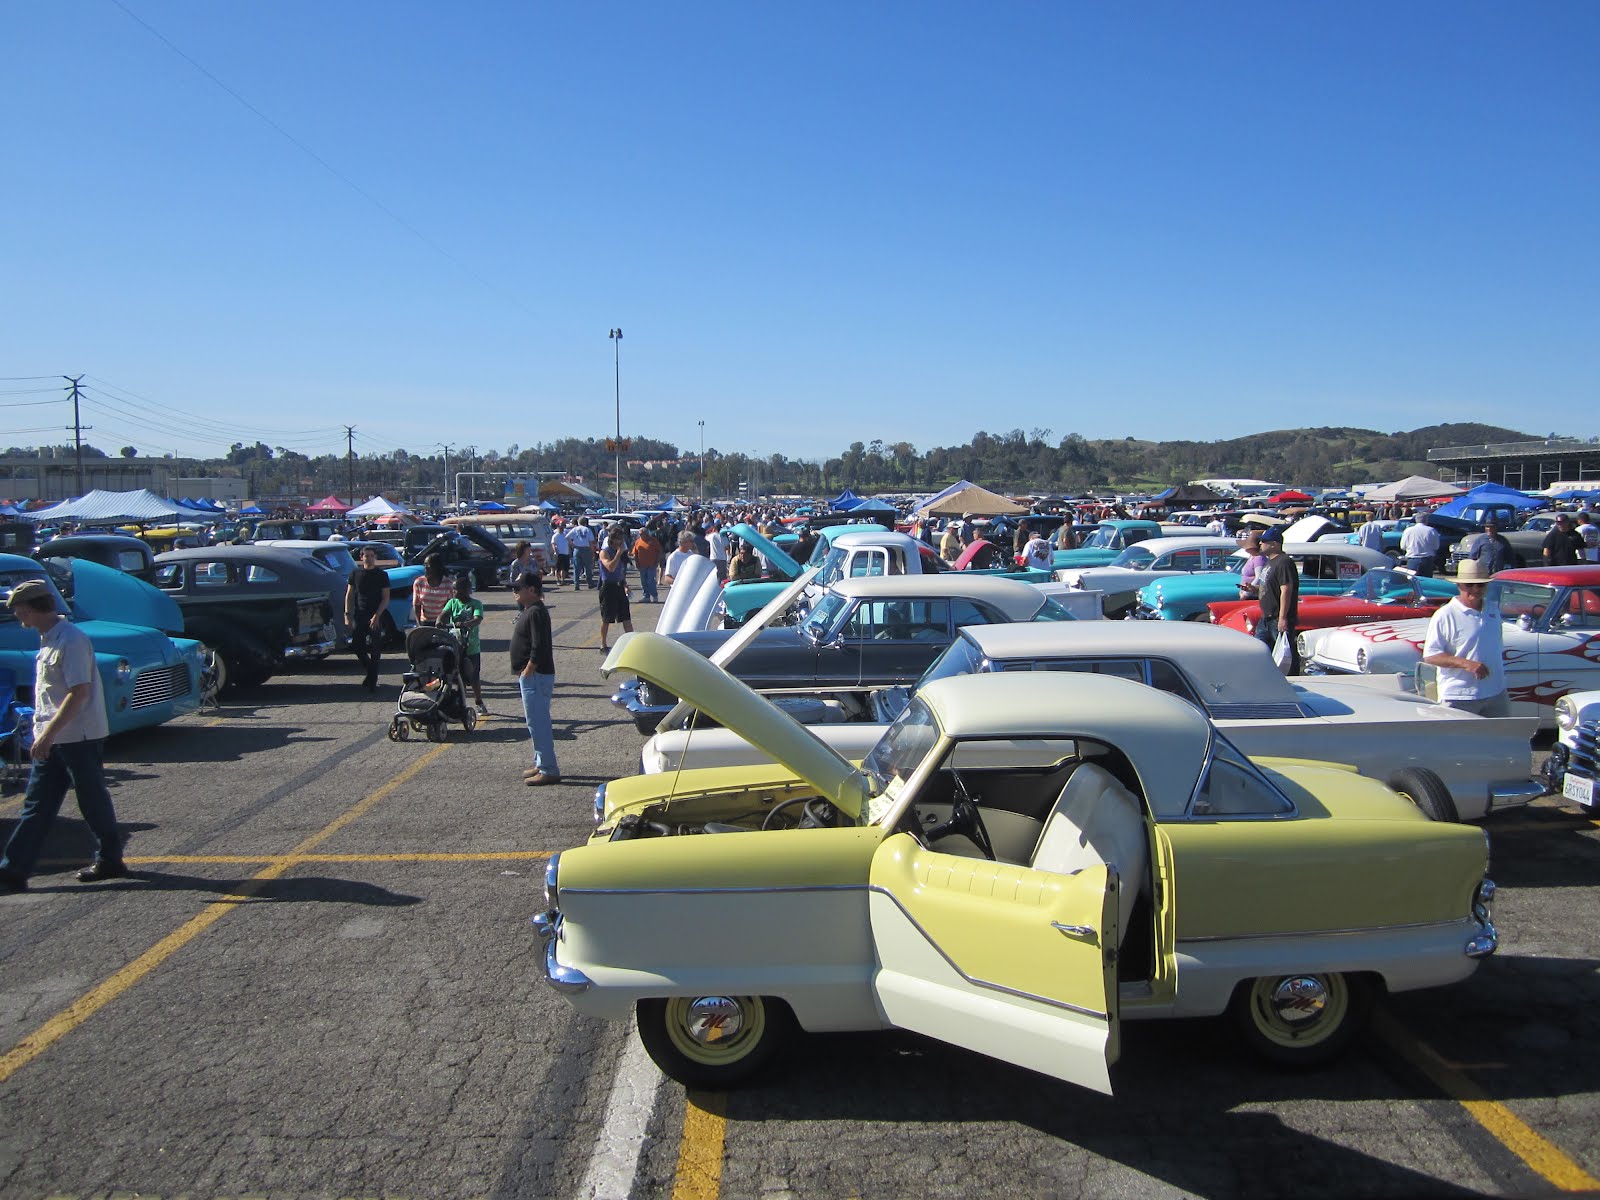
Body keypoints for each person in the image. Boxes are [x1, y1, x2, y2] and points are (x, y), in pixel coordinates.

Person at [0, 581, 125, 892]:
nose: (19, 618)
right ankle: (13, 870)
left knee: (92, 800)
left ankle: (110, 858)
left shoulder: (70, 640)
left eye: (19, 612)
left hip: (77, 736)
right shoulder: (49, 639)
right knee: (37, 805)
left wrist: (46, 736)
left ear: (30, 609)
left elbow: (78, 693)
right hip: (54, 736)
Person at [1422, 559, 1507, 715]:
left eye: (1480, 585)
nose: (1476, 589)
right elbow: (1430, 656)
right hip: (1459, 696)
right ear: (1459, 586)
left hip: (1496, 693)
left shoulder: (1493, 609)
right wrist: (1466, 664)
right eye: (1469, 585)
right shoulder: (1445, 615)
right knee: (1458, 740)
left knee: (1501, 739)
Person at [510, 572, 559, 785]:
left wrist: (529, 669)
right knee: (535, 722)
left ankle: (548, 769)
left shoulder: (536, 612)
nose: (515, 592)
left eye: (518, 588)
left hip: (536, 676)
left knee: (538, 723)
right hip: (533, 676)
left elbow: (539, 646)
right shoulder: (531, 611)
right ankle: (541, 762)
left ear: (531, 590)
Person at [438, 573, 487, 714]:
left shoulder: (475, 604)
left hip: (471, 647)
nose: (454, 593)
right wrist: (440, 621)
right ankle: (461, 702)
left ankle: (479, 701)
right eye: (453, 590)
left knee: (473, 676)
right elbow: (444, 614)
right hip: (455, 646)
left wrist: (465, 624)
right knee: (456, 675)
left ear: (466, 590)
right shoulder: (452, 602)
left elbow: (477, 618)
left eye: (456, 590)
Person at [346, 544, 391, 693]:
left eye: (372, 556)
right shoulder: (355, 573)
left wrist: (377, 616)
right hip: (360, 614)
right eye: (367, 556)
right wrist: (347, 614)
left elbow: (385, 597)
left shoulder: (381, 575)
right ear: (362, 557)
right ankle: (370, 672)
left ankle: (372, 681)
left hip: (376, 615)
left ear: (375, 558)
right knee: (357, 646)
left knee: (376, 649)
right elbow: (350, 594)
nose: (370, 559)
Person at [1255, 526, 1300, 672]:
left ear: (1274, 544)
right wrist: (1253, 589)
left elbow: (1286, 589)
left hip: (1277, 617)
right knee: (1260, 650)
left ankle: (1294, 679)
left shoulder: (1284, 561)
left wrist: (1282, 617)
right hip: (1266, 617)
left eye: (1263, 541)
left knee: (1285, 652)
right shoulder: (1270, 562)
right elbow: (1270, 587)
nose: (1260, 544)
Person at [597, 527, 634, 652]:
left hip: (619, 586)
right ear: (612, 540)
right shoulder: (605, 552)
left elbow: (620, 571)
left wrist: (625, 584)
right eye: (618, 539)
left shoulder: (622, 553)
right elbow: (610, 567)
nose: (620, 542)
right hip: (608, 587)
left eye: (621, 539)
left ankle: (631, 642)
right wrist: (618, 553)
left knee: (626, 617)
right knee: (607, 618)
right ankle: (603, 644)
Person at [411, 555, 455, 627]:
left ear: (437, 567)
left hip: (441, 622)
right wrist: (419, 624)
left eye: (428, 565)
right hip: (425, 622)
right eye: (425, 565)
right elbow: (416, 604)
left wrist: (443, 621)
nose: (426, 567)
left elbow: (449, 606)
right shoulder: (419, 582)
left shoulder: (448, 584)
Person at [632, 524, 662, 603]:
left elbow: (659, 552)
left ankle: (654, 596)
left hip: (651, 564)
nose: (641, 535)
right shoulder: (638, 541)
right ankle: (646, 596)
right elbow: (635, 553)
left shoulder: (653, 540)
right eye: (640, 534)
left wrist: (657, 562)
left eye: (642, 534)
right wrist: (636, 563)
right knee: (643, 581)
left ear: (646, 533)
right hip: (642, 565)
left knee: (651, 580)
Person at [1236, 529, 1266, 599]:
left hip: (1253, 595)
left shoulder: (1259, 558)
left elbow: (1259, 578)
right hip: (1247, 593)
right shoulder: (1252, 557)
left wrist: (1246, 594)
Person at [568, 518, 596, 589]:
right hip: (586, 549)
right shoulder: (587, 529)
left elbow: (567, 537)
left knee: (576, 568)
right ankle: (590, 583)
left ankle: (576, 584)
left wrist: (572, 544)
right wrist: (593, 551)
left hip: (577, 549)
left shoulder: (575, 529)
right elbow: (591, 541)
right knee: (588, 567)